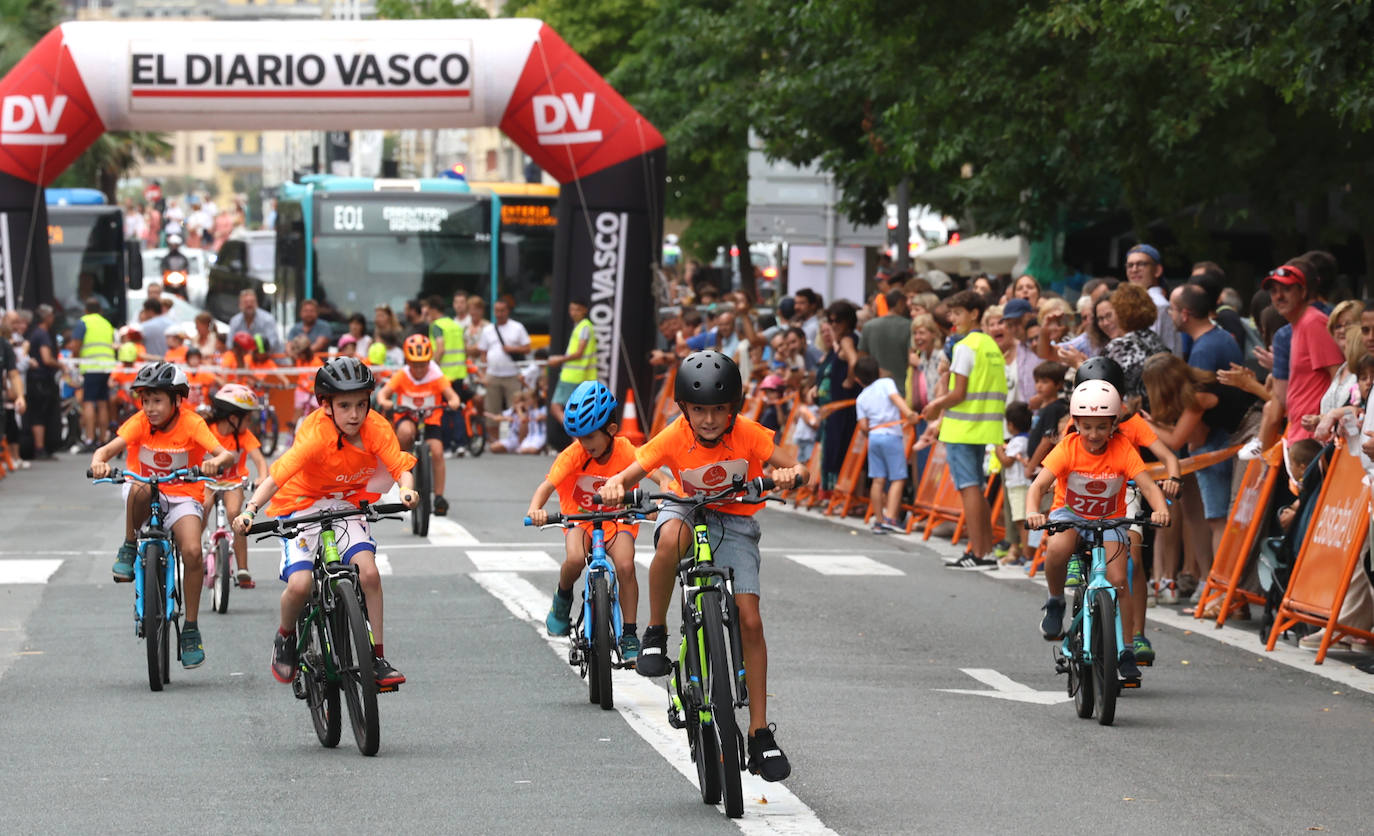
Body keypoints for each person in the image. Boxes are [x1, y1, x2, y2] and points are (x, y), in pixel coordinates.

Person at [596, 351, 805, 783]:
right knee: (670, 538)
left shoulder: (749, 434)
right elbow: (633, 470)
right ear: (684, 410)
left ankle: (760, 731)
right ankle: (655, 632)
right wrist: (616, 485)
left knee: (750, 619)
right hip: (685, 510)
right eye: (699, 411)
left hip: (736, 520)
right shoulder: (674, 436)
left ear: (734, 409)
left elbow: (798, 467)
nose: (709, 420)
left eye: (719, 410)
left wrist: (791, 476)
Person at [233, 357, 419, 688]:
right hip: (301, 504)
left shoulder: (376, 428)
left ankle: (375, 657)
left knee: (370, 573)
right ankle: (286, 636)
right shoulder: (314, 436)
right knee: (301, 585)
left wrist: (407, 489)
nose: (354, 414)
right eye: (344, 405)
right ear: (326, 405)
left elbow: (398, 465)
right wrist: (249, 511)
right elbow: (277, 477)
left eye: (361, 404)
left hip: (346, 502)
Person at [89, 362, 235, 669]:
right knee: (140, 487)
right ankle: (130, 545)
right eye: (145, 400)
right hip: (144, 495)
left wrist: (215, 462)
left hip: (183, 497)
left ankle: (191, 628)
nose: (150, 408)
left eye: (157, 400)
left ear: (176, 400)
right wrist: (99, 462)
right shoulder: (139, 422)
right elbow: (105, 451)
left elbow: (225, 453)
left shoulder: (193, 423)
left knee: (193, 551)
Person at [1025, 380, 1171, 686]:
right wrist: (1032, 512)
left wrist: (1161, 509)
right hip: (1070, 513)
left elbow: (1146, 485)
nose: (1094, 435)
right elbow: (1038, 485)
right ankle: (1055, 601)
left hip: (1111, 517)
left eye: (1102, 427)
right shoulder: (1067, 447)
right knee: (1057, 550)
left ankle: (1126, 650)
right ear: (1076, 423)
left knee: (1119, 579)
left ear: (1114, 425)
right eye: (1087, 426)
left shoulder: (1123, 448)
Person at [525, 381, 672, 663]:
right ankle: (562, 597)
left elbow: (659, 475)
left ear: (611, 431)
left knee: (627, 565)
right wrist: (536, 510)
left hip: (617, 520)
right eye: (579, 438)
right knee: (575, 559)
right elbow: (546, 488)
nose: (584, 445)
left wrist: (663, 500)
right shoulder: (573, 455)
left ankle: (629, 633)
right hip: (580, 520)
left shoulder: (627, 450)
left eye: (590, 437)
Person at [922, 290, 1005, 570]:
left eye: (958, 313)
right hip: (985, 427)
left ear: (974, 313)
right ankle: (985, 552)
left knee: (969, 489)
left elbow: (958, 392)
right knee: (977, 491)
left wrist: (935, 405)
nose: (953, 319)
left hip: (962, 427)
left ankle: (980, 553)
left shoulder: (965, 346)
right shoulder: (990, 345)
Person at [376, 335, 461, 517]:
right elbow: (383, 393)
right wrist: (385, 401)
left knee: (437, 451)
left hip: (430, 418)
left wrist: (453, 401)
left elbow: (452, 395)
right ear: (408, 361)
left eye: (424, 364)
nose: (420, 369)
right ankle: (404, 469)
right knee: (406, 433)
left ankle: (439, 497)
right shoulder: (402, 375)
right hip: (407, 415)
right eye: (415, 364)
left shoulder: (436, 375)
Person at [200, 384, 268, 589]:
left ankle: (242, 569)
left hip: (233, 482)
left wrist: (262, 477)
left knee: (235, 515)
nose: (250, 422)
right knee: (201, 508)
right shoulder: (207, 430)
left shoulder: (244, 435)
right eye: (247, 417)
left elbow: (260, 460)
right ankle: (193, 553)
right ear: (232, 416)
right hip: (207, 482)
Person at [1265, 262, 1343, 441]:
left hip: (1314, 439)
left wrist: (1327, 425)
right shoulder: (1298, 324)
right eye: (1273, 291)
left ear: (1303, 292)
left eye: (1286, 289)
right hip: (1301, 435)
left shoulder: (1313, 322)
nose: (1279, 296)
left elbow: (1339, 378)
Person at [854, 356, 917, 533]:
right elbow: (896, 398)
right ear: (878, 371)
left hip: (874, 436)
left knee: (877, 479)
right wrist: (909, 413)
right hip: (891, 434)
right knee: (898, 477)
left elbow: (863, 426)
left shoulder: (861, 398)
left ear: (858, 379)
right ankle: (891, 517)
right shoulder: (886, 383)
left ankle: (879, 520)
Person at [815, 301, 860, 491]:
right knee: (835, 450)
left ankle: (841, 494)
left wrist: (849, 380)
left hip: (843, 408)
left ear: (848, 321)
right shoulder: (841, 341)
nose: (833, 324)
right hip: (837, 408)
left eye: (838, 321)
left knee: (840, 450)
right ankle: (835, 494)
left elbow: (854, 361)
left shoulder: (847, 340)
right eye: (830, 320)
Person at [1104, 283, 1170, 402]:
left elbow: (1104, 388)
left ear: (1120, 313)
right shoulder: (1156, 340)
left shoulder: (1120, 346)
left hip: (1132, 415)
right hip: (1161, 411)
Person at [477, 298, 532, 441]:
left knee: (515, 408)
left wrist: (512, 349)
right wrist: (484, 373)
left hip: (512, 375)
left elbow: (527, 348)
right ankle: (494, 440)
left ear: (507, 311)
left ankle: (514, 439)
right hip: (493, 375)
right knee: (491, 409)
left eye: (502, 311)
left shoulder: (517, 327)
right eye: (497, 311)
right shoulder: (488, 329)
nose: (499, 314)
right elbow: (483, 352)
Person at [426, 295, 471, 455]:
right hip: (459, 372)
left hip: (443, 375)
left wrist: (432, 367)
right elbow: (465, 348)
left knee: (442, 410)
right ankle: (460, 444)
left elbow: (440, 348)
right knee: (457, 408)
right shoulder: (455, 325)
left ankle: (446, 446)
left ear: (433, 309)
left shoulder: (437, 325)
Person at [69, 296, 115, 452]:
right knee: (103, 402)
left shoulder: (84, 321)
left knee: (88, 402)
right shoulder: (106, 323)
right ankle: (103, 438)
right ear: (100, 310)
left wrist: (75, 359)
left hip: (91, 366)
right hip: (107, 367)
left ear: (86, 309)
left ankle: (89, 439)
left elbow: (76, 344)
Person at [993, 401, 1033, 564]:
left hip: (1019, 485)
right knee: (1021, 519)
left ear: (1010, 424)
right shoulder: (1024, 439)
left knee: (1020, 519)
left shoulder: (1018, 441)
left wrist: (997, 449)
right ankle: (1023, 551)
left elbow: (1007, 461)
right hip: (1019, 484)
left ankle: (1027, 554)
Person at [547, 297, 597, 427]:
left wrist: (559, 359)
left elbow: (579, 352)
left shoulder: (584, 327)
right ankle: (578, 437)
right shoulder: (582, 326)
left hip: (572, 377)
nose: (574, 313)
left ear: (585, 310)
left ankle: (576, 433)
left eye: (577, 310)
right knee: (574, 411)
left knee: (556, 407)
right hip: (578, 377)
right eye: (572, 309)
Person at [1123, 243, 1179, 353]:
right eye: (1130, 265)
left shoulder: (1158, 305)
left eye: (1141, 264)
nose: (1134, 269)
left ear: (1157, 270)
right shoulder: (1133, 303)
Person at [857, 289, 912, 395]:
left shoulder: (869, 326)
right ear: (900, 303)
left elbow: (861, 359)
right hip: (902, 389)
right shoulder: (909, 326)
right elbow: (911, 359)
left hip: (875, 389)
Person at [25, 304, 62, 459]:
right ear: (47, 317)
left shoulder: (35, 333)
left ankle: (41, 447)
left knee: (38, 413)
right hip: (40, 380)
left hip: (36, 379)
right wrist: (61, 364)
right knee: (39, 414)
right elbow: (46, 359)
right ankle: (40, 448)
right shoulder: (42, 334)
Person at [228, 288, 282, 354]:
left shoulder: (268, 319)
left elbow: (272, 343)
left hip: (269, 360)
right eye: (246, 302)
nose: (249, 305)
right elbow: (229, 344)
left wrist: (254, 351)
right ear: (240, 305)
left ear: (257, 304)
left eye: (252, 302)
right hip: (244, 360)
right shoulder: (234, 321)